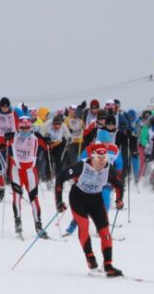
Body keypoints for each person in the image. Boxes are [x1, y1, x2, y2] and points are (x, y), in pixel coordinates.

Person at [54, 143, 124, 276]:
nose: (102, 162)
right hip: (78, 198)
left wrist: (119, 200)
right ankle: (89, 256)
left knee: (105, 232)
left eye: (104, 158)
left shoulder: (108, 169)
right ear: (92, 157)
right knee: (84, 225)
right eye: (99, 158)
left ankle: (108, 265)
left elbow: (119, 185)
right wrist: (58, 201)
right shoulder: (82, 166)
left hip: (95, 200)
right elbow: (61, 177)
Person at [8, 115, 48, 238]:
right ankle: (18, 221)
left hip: (30, 171)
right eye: (22, 128)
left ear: (30, 127)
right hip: (17, 170)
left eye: (27, 128)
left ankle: (38, 224)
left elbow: (48, 145)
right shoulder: (13, 136)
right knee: (16, 196)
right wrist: (4, 140)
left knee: (33, 198)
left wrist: (47, 140)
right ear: (19, 127)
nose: (25, 130)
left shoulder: (35, 137)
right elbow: (1, 143)